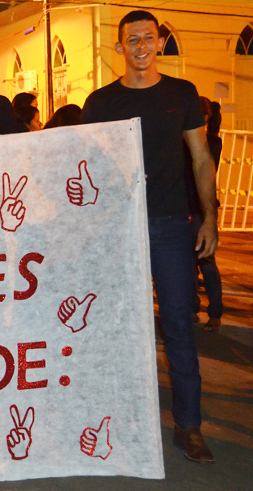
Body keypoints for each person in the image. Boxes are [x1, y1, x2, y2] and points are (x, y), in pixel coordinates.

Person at [81, 10, 219, 463]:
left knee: (178, 323)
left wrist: (210, 217)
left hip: (171, 227)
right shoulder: (101, 102)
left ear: (159, 43)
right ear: (119, 47)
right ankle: (120, 422)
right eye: (132, 40)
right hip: (118, 228)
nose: (141, 46)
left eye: (148, 38)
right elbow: (86, 165)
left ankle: (189, 426)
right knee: (120, 326)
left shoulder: (182, 93)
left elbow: (201, 158)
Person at [186, 97, 223, 331]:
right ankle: (195, 310)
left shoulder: (211, 142)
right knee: (189, 264)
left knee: (206, 262)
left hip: (200, 210)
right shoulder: (185, 141)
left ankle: (214, 313)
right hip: (186, 208)